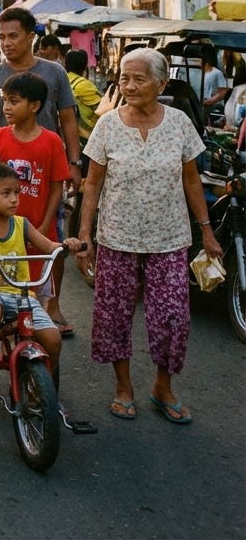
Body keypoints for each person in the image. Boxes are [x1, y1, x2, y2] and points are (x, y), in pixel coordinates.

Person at [77, 49, 221, 424]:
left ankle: (162, 386)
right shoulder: (107, 125)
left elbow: (192, 179)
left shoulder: (179, 123)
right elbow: (92, 184)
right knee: (113, 315)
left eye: (139, 79)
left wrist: (206, 231)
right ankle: (123, 388)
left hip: (170, 237)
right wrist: (84, 234)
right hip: (116, 237)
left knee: (173, 316)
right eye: (125, 78)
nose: (130, 85)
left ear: (161, 82)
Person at [0, 7, 82, 320]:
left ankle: (53, 305)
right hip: (1, 179)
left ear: (31, 36)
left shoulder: (54, 72)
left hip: (45, 173)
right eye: (2, 37)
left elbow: (68, 119)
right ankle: (6, 301)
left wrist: (74, 162)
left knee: (51, 239)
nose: (6, 42)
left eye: (13, 36)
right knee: (1, 238)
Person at [0, 162, 82, 400]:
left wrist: (66, 246)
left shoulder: (22, 224)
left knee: (53, 340)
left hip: (20, 294)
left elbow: (50, 247)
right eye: (6, 194)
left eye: (16, 193)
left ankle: (45, 390)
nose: (14, 199)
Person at [0, 72, 71, 334]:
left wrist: (44, 226)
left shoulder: (52, 141)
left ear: (35, 106)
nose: (6, 107)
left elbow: (57, 186)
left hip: (40, 232)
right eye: (5, 100)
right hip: (2, 232)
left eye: (14, 101)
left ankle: (37, 336)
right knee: (3, 290)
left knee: (35, 293)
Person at [65, 49, 101, 144]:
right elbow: (101, 109)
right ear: (84, 66)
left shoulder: (63, 80)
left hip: (67, 134)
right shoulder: (84, 85)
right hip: (86, 137)